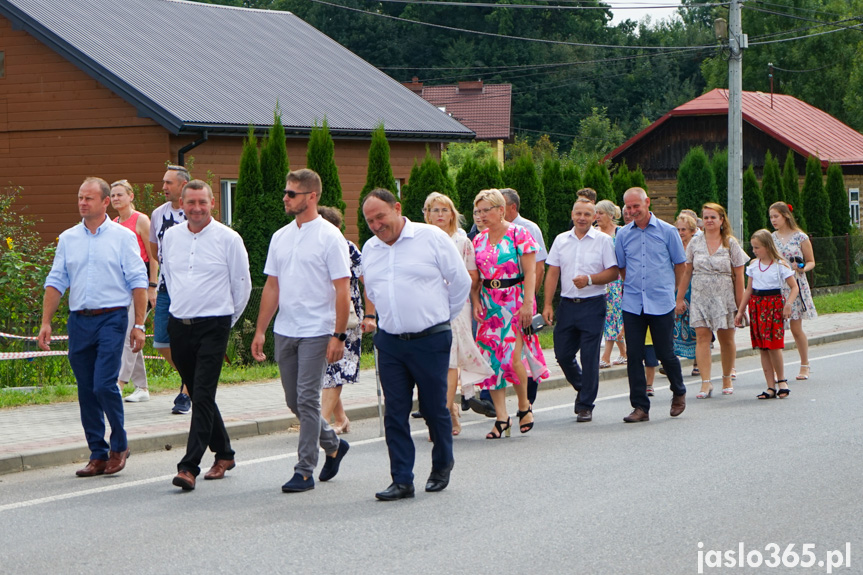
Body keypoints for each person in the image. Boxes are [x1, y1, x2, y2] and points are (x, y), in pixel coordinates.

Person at [361, 188, 471, 501]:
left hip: (431, 339)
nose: (376, 225)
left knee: (434, 407)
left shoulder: (431, 238)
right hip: (391, 343)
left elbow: (460, 282)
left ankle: (441, 464)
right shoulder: (370, 249)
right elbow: (373, 289)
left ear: (397, 208)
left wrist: (439, 318)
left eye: (381, 217)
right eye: (370, 221)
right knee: (395, 412)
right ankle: (401, 480)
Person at [38, 177, 148, 477]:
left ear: (104, 202)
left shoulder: (122, 237)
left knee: (103, 384)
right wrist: (46, 322)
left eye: (89, 198)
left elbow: (138, 281)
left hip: (112, 318)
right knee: (86, 389)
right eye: (79, 197)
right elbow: (56, 281)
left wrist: (139, 324)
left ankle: (119, 445)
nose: (83, 203)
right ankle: (97, 453)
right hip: (79, 321)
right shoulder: (68, 238)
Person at [251, 169, 351, 494]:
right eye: (286, 192)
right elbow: (272, 286)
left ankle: (304, 470)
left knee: (308, 399)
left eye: (291, 193)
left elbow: (342, 289)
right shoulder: (280, 236)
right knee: (295, 401)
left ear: (311, 197)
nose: (285, 197)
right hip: (286, 329)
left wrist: (338, 335)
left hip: (317, 330)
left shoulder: (329, 237)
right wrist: (261, 330)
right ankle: (333, 443)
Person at [162, 180, 251, 491]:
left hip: (215, 325)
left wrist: (226, 320)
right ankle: (224, 453)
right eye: (191, 203)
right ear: (182, 204)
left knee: (199, 394)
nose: (196, 208)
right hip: (180, 325)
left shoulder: (228, 239)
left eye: (202, 202)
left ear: (213, 203)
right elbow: (170, 279)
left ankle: (188, 467)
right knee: (202, 396)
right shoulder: (171, 237)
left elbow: (242, 286)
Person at [472, 189, 549, 438]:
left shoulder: (519, 233)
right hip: (489, 303)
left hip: (514, 301)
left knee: (512, 358)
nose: (482, 215)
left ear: (501, 209)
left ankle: (524, 406)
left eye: (486, 210)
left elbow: (531, 272)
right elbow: (475, 277)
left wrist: (529, 303)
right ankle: (501, 417)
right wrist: (475, 300)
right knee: (491, 361)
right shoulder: (479, 239)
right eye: (479, 211)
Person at [423, 192, 494, 435]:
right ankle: (450, 410)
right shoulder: (421, 239)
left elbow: (473, 276)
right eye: (435, 210)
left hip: (456, 305)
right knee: (432, 362)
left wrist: (473, 301)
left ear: (452, 214)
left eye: (445, 210)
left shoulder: (462, 241)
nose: (440, 214)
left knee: (451, 359)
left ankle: (441, 416)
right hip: (428, 307)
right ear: (427, 214)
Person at [542, 198, 618, 422]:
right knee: (563, 354)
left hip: (593, 303)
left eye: (587, 214)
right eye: (578, 214)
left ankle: (586, 404)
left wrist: (590, 279)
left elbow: (613, 273)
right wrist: (547, 304)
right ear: (572, 214)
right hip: (567, 305)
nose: (582, 218)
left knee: (589, 355)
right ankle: (584, 386)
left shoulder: (603, 241)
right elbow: (553, 272)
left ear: (594, 217)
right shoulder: (561, 240)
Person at [615, 187, 687, 423]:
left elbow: (680, 265)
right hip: (633, 303)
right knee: (634, 355)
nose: (633, 211)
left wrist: (671, 291)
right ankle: (640, 407)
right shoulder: (623, 235)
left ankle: (678, 391)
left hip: (661, 302)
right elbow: (623, 268)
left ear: (647, 203)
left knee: (665, 352)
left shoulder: (667, 231)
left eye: (637, 206)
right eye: (629, 207)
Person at [675, 203, 746, 398]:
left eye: (713, 217)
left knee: (726, 339)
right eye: (705, 217)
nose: (709, 221)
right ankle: (705, 383)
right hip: (700, 296)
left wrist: (741, 306)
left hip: (724, 296)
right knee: (702, 338)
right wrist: (679, 298)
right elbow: (687, 271)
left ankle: (726, 378)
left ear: (722, 220)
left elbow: (739, 276)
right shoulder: (695, 243)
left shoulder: (730, 243)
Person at [149, 165, 192, 415]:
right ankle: (194, 376)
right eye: (163, 182)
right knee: (161, 342)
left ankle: (186, 393)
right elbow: (155, 251)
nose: (163, 187)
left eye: (169, 183)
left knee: (187, 340)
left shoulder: (193, 212)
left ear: (182, 186)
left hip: (189, 287)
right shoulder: (158, 213)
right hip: (166, 285)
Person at [735, 229, 799, 399]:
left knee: (774, 345)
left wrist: (788, 304)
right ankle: (770, 386)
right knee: (763, 346)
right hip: (757, 306)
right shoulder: (753, 266)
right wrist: (741, 311)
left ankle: (782, 381)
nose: (754, 251)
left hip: (774, 306)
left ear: (768, 247)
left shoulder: (780, 266)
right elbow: (748, 290)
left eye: (758, 248)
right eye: (753, 248)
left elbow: (794, 287)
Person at [317, 205, 364, 435]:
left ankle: (322, 423)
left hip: (347, 317)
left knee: (336, 368)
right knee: (328, 369)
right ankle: (341, 418)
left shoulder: (348, 248)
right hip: (321, 314)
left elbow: (367, 278)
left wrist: (373, 315)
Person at [500, 188, 547, 406]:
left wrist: (531, 299)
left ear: (512, 207)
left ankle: (529, 397)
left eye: (500, 206)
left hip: (523, 297)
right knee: (503, 348)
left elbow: (538, 266)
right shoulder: (488, 230)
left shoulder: (528, 228)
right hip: (500, 302)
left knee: (527, 346)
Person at [110, 179, 156, 403]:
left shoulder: (141, 220)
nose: (116, 198)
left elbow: (153, 256)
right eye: (113, 195)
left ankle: (118, 384)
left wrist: (152, 287)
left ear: (131, 196)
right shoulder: (114, 222)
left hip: (141, 286)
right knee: (131, 333)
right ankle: (142, 388)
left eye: (120, 194)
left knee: (131, 329)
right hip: (122, 285)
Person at [769, 201, 817, 380]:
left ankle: (805, 364)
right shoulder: (771, 237)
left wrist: (802, 267)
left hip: (794, 285)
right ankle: (775, 368)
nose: (773, 220)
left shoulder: (800, 237)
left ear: (785, 216)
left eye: (776, 216)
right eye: (771, 217)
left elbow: (811, 261)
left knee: (796, 328)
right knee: (776, 330)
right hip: (775, 285)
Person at [595, 199, 627, 368]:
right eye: (596, 213)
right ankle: (623, 353)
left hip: (617, 280)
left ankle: (606, 357)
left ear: (610, 215)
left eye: (600, 213)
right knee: (610, 316)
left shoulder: (620, 232)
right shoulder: (594, 232)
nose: (597, 216)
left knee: (612, 315)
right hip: (600, 279)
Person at [672, 213, 698, 373]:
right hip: (676, 288)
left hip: (694, 289)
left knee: (695, 325)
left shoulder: (696, 246)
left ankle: (698, 362)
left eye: (684, 229)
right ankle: (672, 362)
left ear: (692, 231)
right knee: (675, 324)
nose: (681, 232)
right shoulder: (674, 245)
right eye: (678, 229)